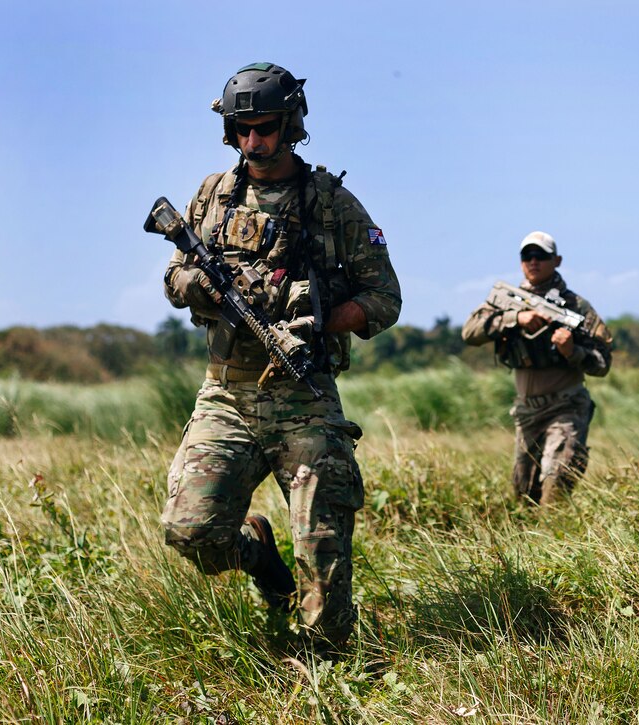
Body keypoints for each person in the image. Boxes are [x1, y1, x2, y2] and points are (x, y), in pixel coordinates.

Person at [159, 62, 401, 651]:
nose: (253, 141)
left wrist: (317, 323)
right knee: (190, 531)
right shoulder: (213, 196)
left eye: (264, 127)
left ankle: (326, 666)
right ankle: (264, 565)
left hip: (304, 396)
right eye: (241, 129)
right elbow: (173, 279)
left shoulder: (332, 205)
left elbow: (384, 299)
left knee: (323, 547)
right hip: (227, 394)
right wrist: (207, 287)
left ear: (290, 124)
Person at [462, 232, 612, 505]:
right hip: (526, 411)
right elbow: (470, 332)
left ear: (556, 260)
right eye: (527, 256)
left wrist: (573, 351)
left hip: (565, 406)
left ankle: (560, 541)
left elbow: (603, 363)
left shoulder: (576, 307)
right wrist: (516, 318)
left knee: (557, 484)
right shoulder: (508, 299)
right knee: (524, 496)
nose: (533, 261)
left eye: (540, 256)